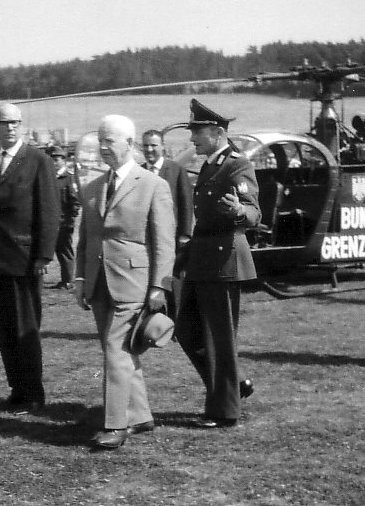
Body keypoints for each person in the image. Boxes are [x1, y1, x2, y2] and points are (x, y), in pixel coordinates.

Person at [75, 115, 175, 449]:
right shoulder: (93, 187)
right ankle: (141, 416)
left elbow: (164, 242)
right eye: (100, 141)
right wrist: (80, 278)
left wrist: (159, 285)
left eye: (110, 141)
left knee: (115, 350)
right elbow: (86, 239)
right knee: (122, 349)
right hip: (98, 283)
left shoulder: (153, 185)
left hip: (134, 283)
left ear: (130, 144)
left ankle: (115, 425)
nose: (103, 147)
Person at [174, 99, 261, 429]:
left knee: (218, 339)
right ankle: (233, 384)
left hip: (224, 261)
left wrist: (238, 211)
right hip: (203, 259)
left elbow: (253, 213)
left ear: (217, 132)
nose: (192, 138)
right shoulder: (212, 165)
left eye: (197, 132)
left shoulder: (237, 165)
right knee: (186, 331)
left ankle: (224, 411)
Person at [0, 103, 60, 413]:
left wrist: (44, 255)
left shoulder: (38, 161)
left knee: (25, 328)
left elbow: (49, 211)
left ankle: (33, 392)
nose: (10, 127)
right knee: (5, 328)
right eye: (4, 122)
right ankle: (17, 388)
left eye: (15, 122)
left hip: (24, 258)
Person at [142, 129, 194, 316]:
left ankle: (177, 320)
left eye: (153, 145)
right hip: (147, 240)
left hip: (172, 240)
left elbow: (186, 204)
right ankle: (153, 320)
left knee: (172, 281)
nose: (149, 149)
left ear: (162, 146)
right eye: (146, 146)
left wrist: (185, 235)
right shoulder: (139, 171)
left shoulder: (176, 170)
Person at [48, 145, 81, 289]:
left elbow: (75, 201)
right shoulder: (48, 177)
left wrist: (70, 218)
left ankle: (68, 280)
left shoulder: (69, 178)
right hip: (50, 221)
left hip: (64, 222)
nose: (54, 162)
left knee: (64, 250)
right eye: (51, 159)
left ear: (64, 160)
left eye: (57, 159)